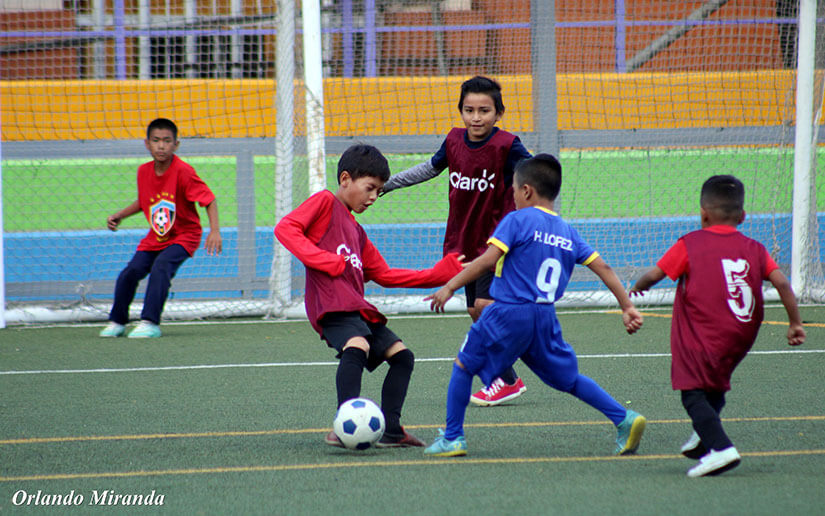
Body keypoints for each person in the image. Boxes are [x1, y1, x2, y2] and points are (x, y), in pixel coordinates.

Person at [423, 154, 646, 457]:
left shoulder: (516, 220)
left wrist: (450, 286)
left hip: (509, 312)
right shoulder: (568, 231)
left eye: (513, 190)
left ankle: (452, 437)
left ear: (526, 191)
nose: (512, 197)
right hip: (544, 317)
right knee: (569, 380)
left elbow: (487, 260)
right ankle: (624, 418)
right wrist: (627, 307)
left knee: (463, 365)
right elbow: (604, 267)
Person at [274, 144, 463, 448]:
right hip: (332, 307)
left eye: (379, 190)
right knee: (357, 345)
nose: (374, 196)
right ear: (345, 179)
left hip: (357, 309)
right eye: (370, 188)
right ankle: (342, 425)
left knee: (402, 357)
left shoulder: (357, 232)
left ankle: (391, 431)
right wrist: (325, 260)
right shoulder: (324, 202)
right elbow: (286, 228)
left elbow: (386, 275)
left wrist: (438, 274)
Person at [630, 174, 805, 477]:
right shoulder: (756, 248)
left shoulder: (691, 243)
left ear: (703, 214)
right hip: (742, 334)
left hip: (704, 333)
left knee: (692, 392)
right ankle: (703, 436)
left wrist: (638, 287)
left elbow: (656, 274)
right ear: (743, 216)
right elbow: (782, 282)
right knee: (715, 382)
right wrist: (795, 323)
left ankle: (722, 448)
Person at [382, 75, 532, 407]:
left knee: (483, 307)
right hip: (464, 241)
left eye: (484, 110)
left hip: (496, 244)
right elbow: (428, 169)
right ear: (461, 111)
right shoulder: (453, 141)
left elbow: (533, 175)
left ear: (498, 113)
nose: (476, 117)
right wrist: (388, 184)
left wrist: (531, 215)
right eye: (469, 110)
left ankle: (510, 364)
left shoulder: (508, 145)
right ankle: (509, 378)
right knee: (474, 311)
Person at [99, 118, 222, 338]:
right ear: (147, 144)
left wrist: (214, 231)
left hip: (185, 236)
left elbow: (209, 200)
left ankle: (150, 322)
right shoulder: (143, 171)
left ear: (176, 144)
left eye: (167, 141)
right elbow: (145, 201)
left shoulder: (183, 171)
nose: (161, 146)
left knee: (161, 267)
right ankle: (117, 322)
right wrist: (120, 215)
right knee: (130, 273)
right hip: (156, 237)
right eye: (156, 140)